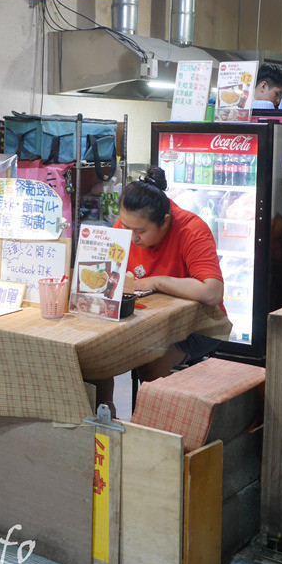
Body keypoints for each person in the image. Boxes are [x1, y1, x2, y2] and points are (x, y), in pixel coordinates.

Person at [93, 166, 226, 412]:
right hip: (148, 319)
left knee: (151, 364)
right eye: (126, 226)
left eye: (140, 231)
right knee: (98, 355)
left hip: (199, 323)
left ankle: (163, 431)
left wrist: (156, 281)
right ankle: (105, 421)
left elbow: (212, 292)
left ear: (165, 222)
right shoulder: (125, 226)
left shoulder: (191, 230)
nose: (132, 237)